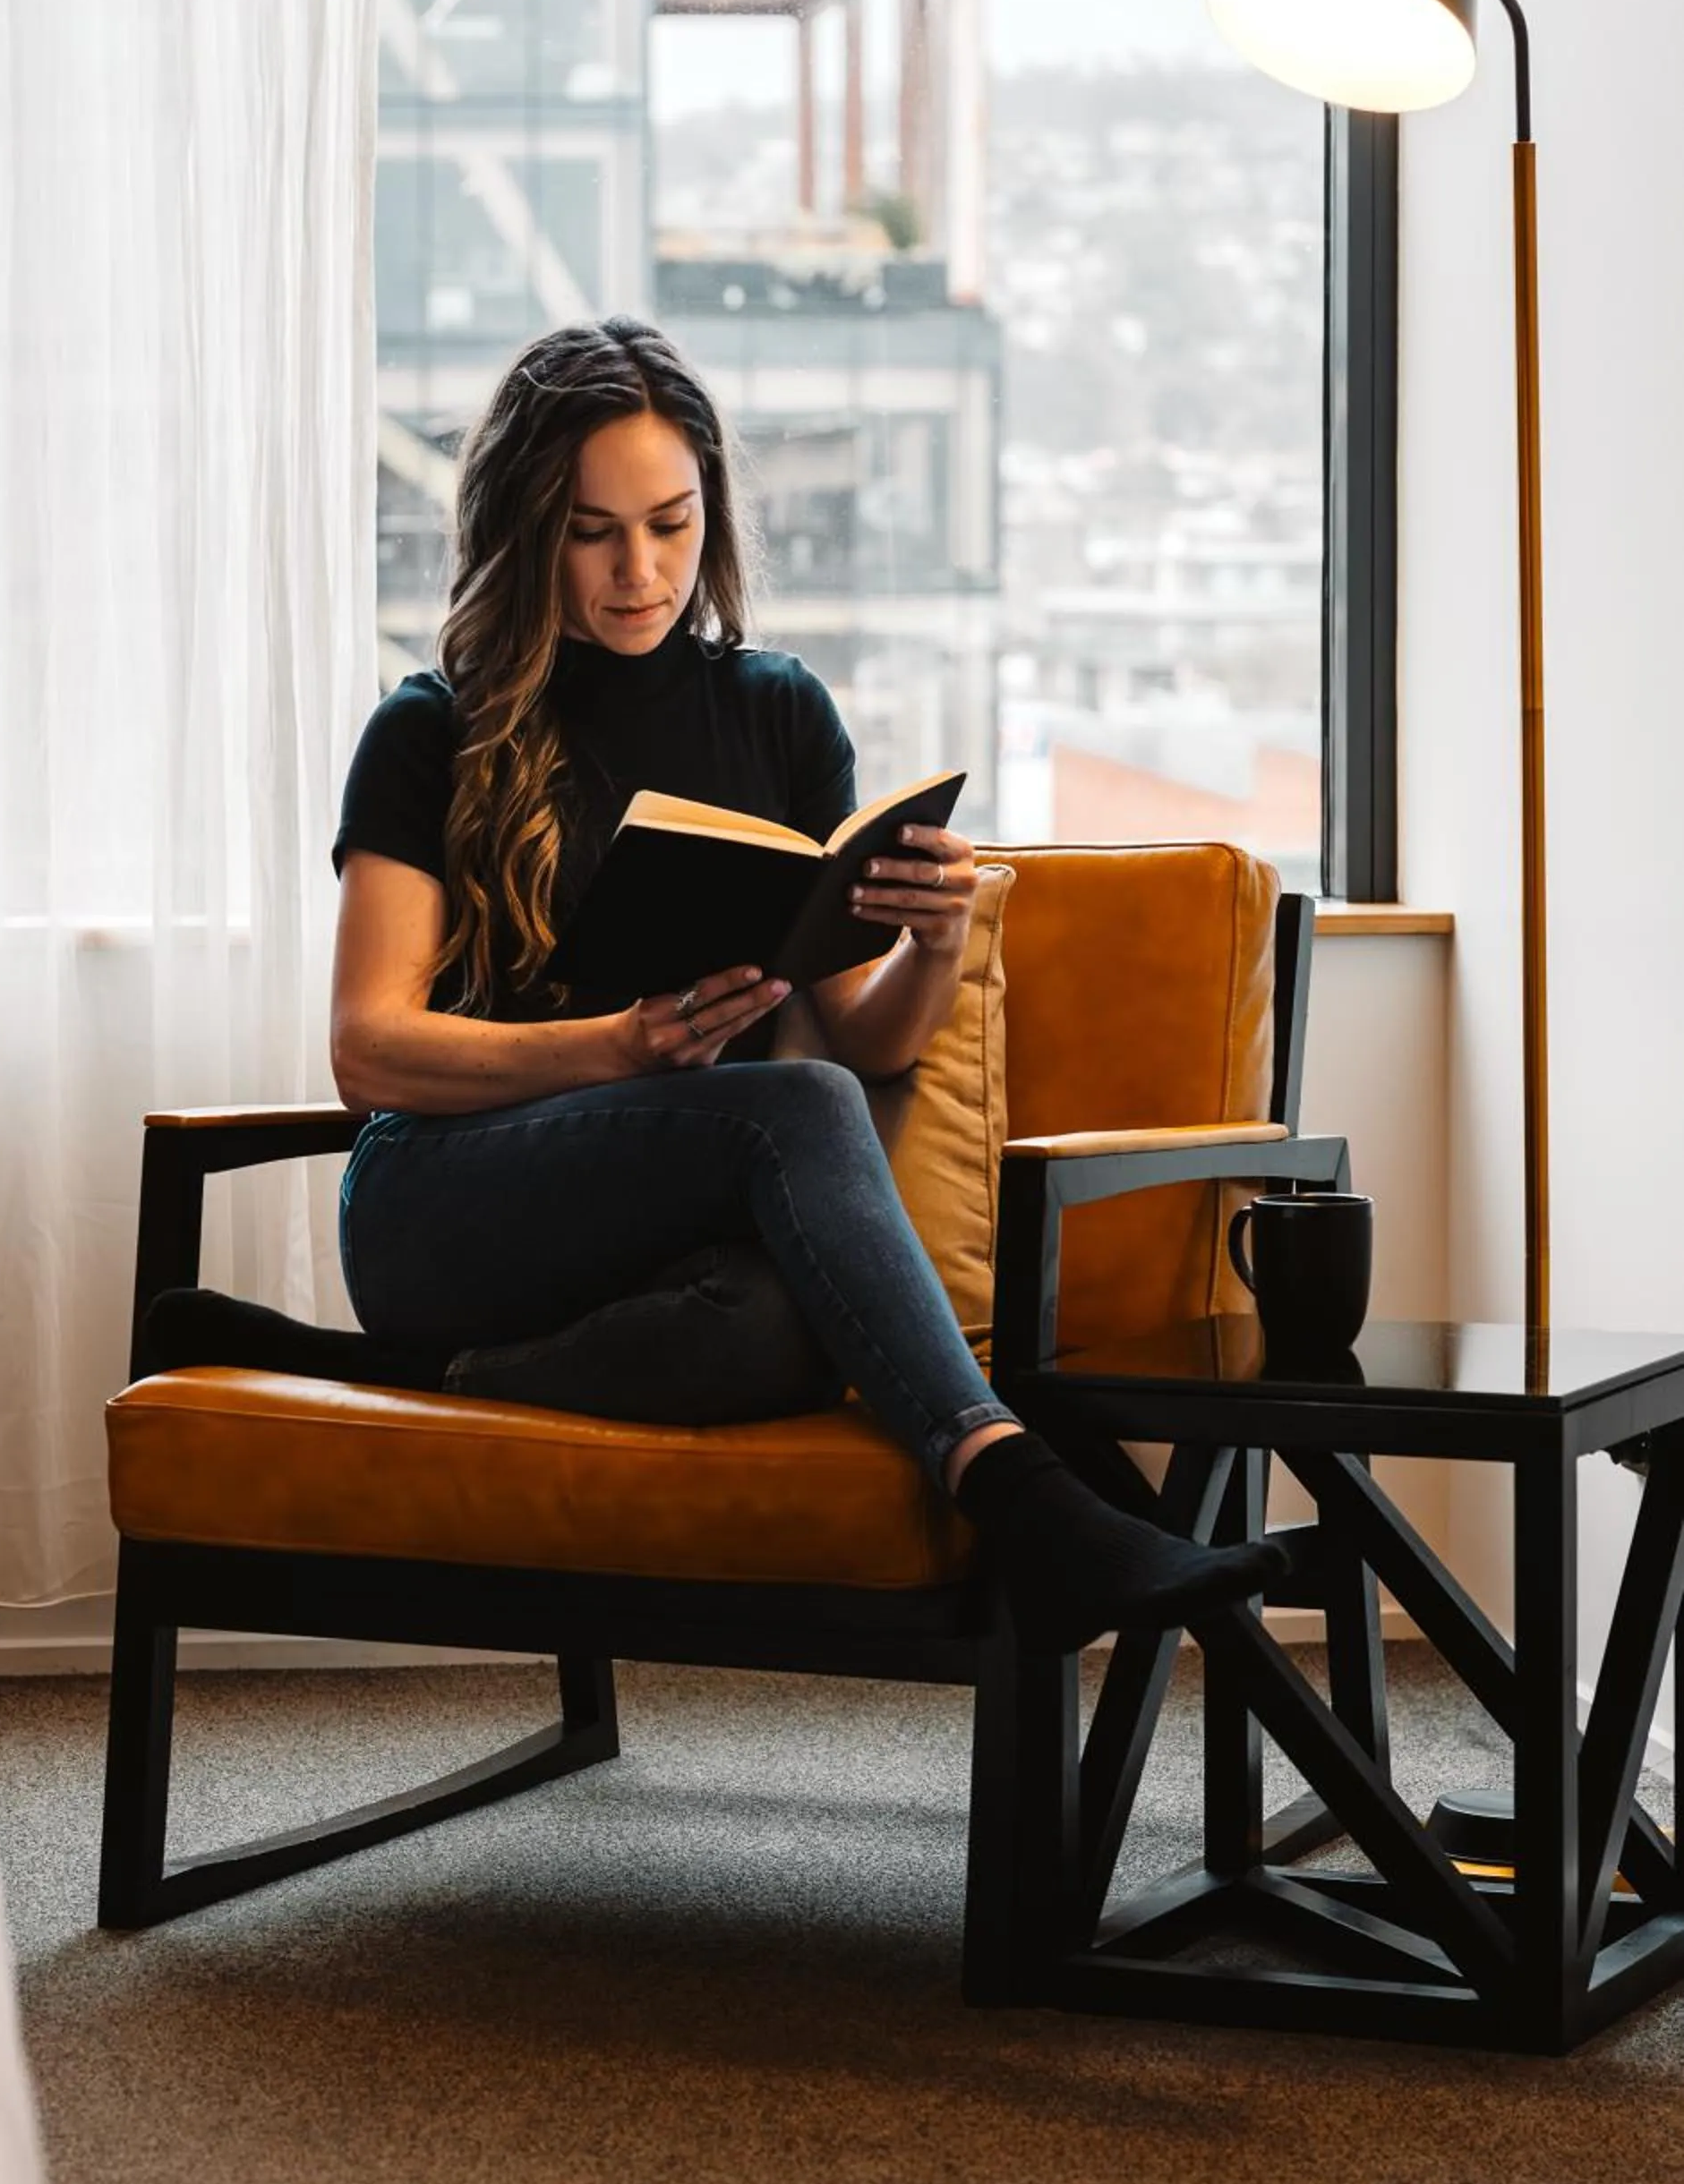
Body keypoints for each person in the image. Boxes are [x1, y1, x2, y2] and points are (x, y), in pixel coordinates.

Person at [159, 315, 1285, 1651]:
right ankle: (1022, 1486)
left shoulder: (777, 712)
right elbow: (370, 1052)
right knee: (790, 1107)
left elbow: (858, 1041)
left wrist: (930, 943)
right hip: (447, 1201)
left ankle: (402, 1379)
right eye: (592, 531)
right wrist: (622, 1047)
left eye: (671, 523)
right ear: (526, 531)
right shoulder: (430, 730)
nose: (640, 571)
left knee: (774, 1322)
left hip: (669, 1233)